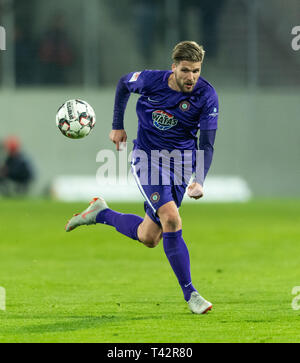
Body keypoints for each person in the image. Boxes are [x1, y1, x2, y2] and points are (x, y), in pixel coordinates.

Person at [65, 41, 219, 315]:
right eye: (185, 70)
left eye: (196, 71)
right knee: (171, 218)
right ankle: (191, 294)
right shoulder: (150, 81)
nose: (191, 77)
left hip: (181, 166)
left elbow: (206, 144)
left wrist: (200, 180)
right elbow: (125, 83)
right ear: (173, 67)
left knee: (149, 236)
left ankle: (101, 213)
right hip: (147, 158)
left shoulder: (207, 96)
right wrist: (117, 125)